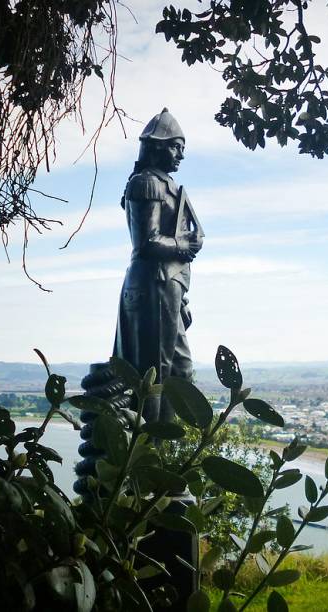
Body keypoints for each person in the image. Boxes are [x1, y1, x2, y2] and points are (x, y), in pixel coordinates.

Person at [113, 108, 203, 422]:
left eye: (182, 147)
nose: (181, 154)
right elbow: (147, 243)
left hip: (168, 289)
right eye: (176, 146)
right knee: (154, 374)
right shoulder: (145, 183)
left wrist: (180, 300)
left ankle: (167, 449)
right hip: (151, 285)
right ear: (157, 146)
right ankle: (149, 450)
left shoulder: (168, 186)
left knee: (180, 370)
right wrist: (185, 245)